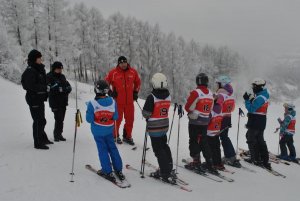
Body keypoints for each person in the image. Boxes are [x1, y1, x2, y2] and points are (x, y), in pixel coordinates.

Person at [86, 80, 125, 182]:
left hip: (98, 132)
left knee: (102, 150)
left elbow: (89, 119)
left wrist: (90, 111)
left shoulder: (92, 104)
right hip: (109, 130)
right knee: (112, 148)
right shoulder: (113, 101)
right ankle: (118, 169)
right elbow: (116, 116)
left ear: (96, 90)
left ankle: (107, 171)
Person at [142, 73, 175, 183]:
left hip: (154, 128)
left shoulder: (152, 97)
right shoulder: (168, 95)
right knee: (164, 146)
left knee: (158, 149)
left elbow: (146, 113)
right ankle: (169, 167)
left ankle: (164, 172)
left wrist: (145, 114)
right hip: (164, 126)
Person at [184, 73, 217, 174]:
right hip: (205, 121)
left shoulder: (196, 92)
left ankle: (196, 162)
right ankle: (209, 162)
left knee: (193, 140)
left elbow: (188, 108)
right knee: (204, 142)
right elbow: (211, 109)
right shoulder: (211, 93)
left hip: (195, 121)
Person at [105, 56, 141, 145]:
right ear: (118, 64)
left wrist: (135, 92)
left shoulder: (133, 72)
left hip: (129, 102)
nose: (123, 64)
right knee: (118, 119)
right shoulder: (113, 73)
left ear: (126, 62)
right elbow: (106, 83)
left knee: (130, 120)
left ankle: (127, 136)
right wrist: (110, 92)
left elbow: (138, 82)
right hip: (118, 102)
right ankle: (115, 136)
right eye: (121, 63)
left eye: (124, 62)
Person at [21, 49, 53, 150]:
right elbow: (29, 85)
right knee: (38, 120)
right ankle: (38, 142)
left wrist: (47, 85)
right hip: (33, 98)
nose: (41, 59)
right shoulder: (30, 70)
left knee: (42, 120)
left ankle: (43, 138)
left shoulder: (38, 69)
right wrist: (44, 88)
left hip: (39, 98)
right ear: (35, 59)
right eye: (39, 58)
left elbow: (42, 81)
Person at [243, 78, 271, 170]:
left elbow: (251, 109)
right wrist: (251, 99)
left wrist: (247, 100)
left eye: (254, 86)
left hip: (256, 120)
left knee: (251, 138)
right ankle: (263, 159)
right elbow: (257, 105)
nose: (253, 88)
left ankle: (255, 159)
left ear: (260, 86)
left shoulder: (260, 97)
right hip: (261, 120)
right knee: (259, 139)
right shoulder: (263, 95)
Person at [215, 75, 241, 167]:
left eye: (217, 83)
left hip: (220, 120)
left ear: (222, 84)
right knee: (224, 137)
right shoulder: (230, 95)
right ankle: (230, 156)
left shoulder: (220, 95)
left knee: (216, 138)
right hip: (227, 118)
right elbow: (232, 108)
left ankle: (222, 157)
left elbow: (216, 108)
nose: (216, 85)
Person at [46, 61, 72, 141]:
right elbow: (50, 89)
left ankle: (59, 134)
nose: (60, 70)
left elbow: (69, 87)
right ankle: (56, 135)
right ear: (54, 68)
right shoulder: (49, 76)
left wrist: (63, 89)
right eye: (58, 69)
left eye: (61, 69)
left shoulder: (62, 76)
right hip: (55, 102)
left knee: (61, 119)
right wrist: (60, 89)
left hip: (63, 101)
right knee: (58, 118)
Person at [207, 99, 224, 170]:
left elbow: (207, 121)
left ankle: (213, 163)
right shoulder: (220, 111)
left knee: (211, 148)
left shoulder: (211, 112)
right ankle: (219, 163)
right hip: (217, 132)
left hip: (209, 133)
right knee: (217, 148)